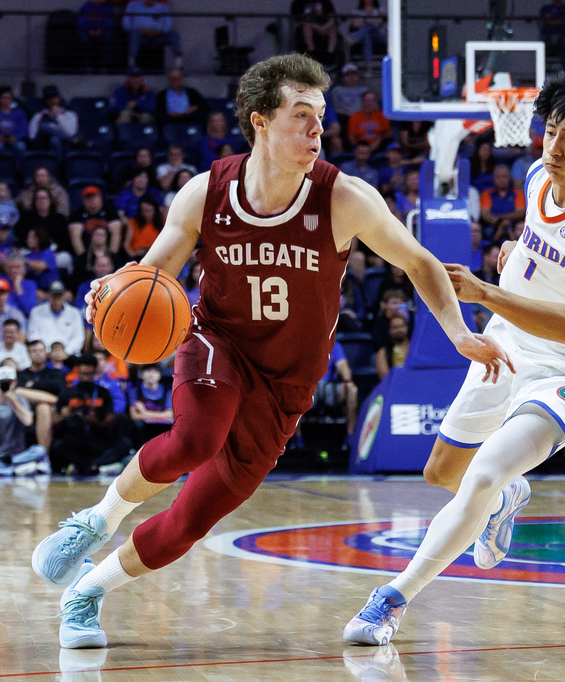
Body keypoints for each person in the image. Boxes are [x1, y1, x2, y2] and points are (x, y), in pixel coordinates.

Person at [31, 53, 508, 649]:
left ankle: (86, 592)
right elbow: (152, 277)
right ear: (260, 121)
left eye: (321, 117)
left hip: (287, 382)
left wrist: (458, 331)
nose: (317, 130)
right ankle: (95, 521)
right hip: (218, 342)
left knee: (189, 522)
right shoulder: (206, 192)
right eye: (302, 115)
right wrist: (110, 295)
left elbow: (421, 262)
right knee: (196, 439)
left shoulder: (344, 199)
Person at [344, 69, 565, 644]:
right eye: (551, 130)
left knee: (479, 473)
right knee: (442, 473)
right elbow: (540, 256)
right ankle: (507, 497)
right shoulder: (537, 178)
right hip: (510, 339)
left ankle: (390, 601)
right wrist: (517, 260)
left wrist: (484, 290)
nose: (553, 147)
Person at [28, 281, 85, 357]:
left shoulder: (74, 313)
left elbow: (78, 338)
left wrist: (66, 352)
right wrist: (47, 352)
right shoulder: (36, 311)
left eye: (59, 295)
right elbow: (33, 335)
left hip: (68, 354)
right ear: (48, 295)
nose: (56, 298)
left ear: (64, 296)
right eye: (54, 295)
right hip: (44, 355)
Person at [122, 0, 184, 70]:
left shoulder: (163, 7)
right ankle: (131, 64)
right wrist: (141, 29)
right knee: (134, 34)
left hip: (158, 36)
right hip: (141, 35)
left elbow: (168, 25)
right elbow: (126, 24)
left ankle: (179, 64)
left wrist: (159, 31)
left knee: (174, 34)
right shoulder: (132, 6)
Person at [127, 364, 173, 448]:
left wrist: (144, 412)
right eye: (148, 371)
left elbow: (169, 414)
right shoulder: (135, 391)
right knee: (138, 425)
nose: (151, 374)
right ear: (141, 374)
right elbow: (134, 416)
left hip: (161, 425)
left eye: (155, 372)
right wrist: (161, 415)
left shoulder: (167, 391)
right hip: (144, 427)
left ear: (159, 376)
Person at [28, 86, 79, 158]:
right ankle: (74, 141)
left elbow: (70, 132)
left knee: (54, 140)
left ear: (59, 98)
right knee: (44, 126)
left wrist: (58, 116)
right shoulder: (38, 115)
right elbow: (32, 136)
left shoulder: (69, 114)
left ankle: (58, 165)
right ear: (46, 100)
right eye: (50, 98)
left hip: (63, 145)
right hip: (42, 145)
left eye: (55, 97)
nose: (53, 101)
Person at [0, 86, 29, 156]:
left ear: (11, 99)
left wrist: (15, 138)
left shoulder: (20, 114)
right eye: (3, 98)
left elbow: (24, 130)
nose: (6, 101)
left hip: (15, 140)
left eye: (8, 98)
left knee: (21, 147)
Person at [347, 92, 392, 156]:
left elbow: (389, 133)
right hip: (360, 148)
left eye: (372, 101)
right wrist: (359, 148)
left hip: (379, 147)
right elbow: (351, 137)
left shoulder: (382, 115)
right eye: (367, 100)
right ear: (362, 102)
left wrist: (380, 138)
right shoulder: (354, 116)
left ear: (375, 103)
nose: (369, 103)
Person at [77, 0, 115, 73]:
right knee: (83, 37)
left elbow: (110, 21)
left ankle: (104, 66)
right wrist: (89, 30)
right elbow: (80, 21)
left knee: (108, 37)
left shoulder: (107, 7)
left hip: (102, 30)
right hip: (87, 30)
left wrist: (101, 29)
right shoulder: (86, 6)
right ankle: (87, 66)